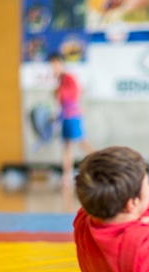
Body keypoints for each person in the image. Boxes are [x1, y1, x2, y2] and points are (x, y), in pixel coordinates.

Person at [49, 52, 95, 186]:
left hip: (72, 115)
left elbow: (75, 94)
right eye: (52, 65)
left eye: (55, 64)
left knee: (82, 141)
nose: (53, 67)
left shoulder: (68, 77)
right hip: (64, 116)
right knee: (67, 145)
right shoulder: (60, 80)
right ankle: (67, 174)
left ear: (61, 64)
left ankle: (102, 163)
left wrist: (60, 93)